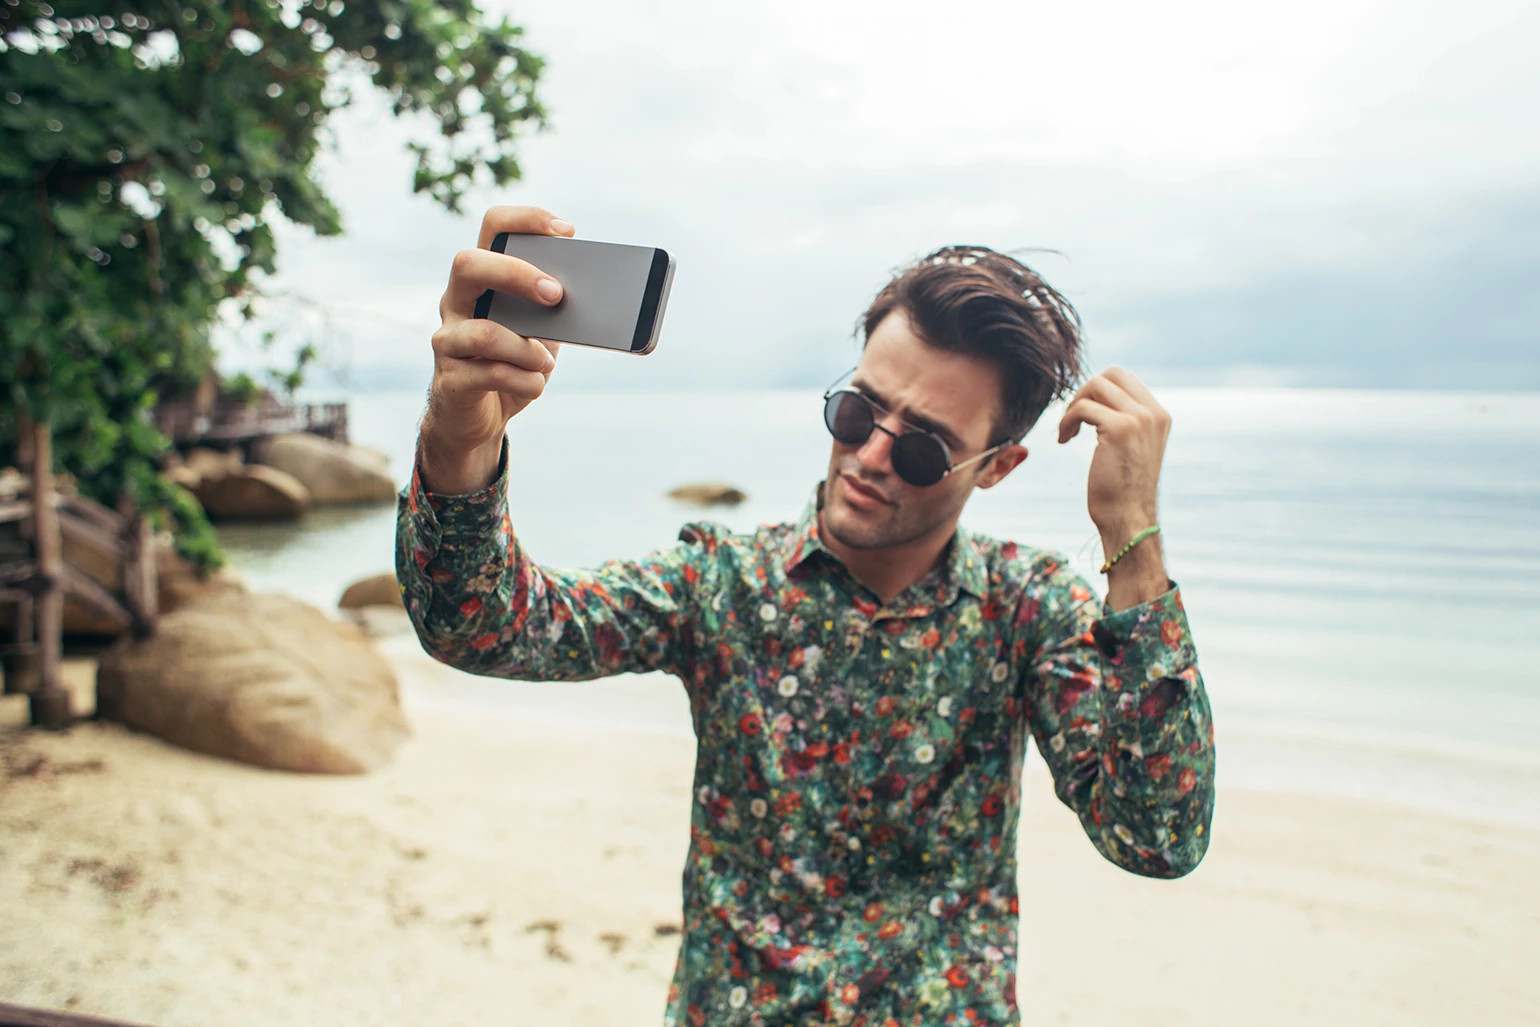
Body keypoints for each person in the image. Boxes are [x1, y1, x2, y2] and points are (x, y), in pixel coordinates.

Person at [396, 205, 1216, 1027]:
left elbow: (1157, 835)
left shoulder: (1026, 609)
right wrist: (457, 444)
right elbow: (482, 626)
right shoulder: (725, 583)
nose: (869, 457)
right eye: (859, 413)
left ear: (998, 466)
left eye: (924, 447)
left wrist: (1130, 539)